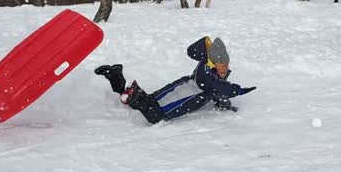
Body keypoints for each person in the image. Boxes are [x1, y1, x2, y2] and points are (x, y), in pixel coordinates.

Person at [94, 37, 256, 124]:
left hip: (169, 94)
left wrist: (224, 104)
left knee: (137, 101)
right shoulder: (206, 76)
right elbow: (220, 89)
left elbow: (218, 92)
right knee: (151, 114)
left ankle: (116, 77)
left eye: (226, 64)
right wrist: (239, 90)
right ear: (213, 62)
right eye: (221, 64)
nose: (224, 68)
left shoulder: (207, 74)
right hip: (166, 107)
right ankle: (127, 88)